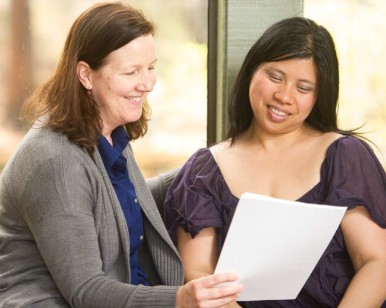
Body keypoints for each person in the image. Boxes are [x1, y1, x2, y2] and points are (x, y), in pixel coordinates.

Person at [0, 2, 243, 307]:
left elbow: (117, 200)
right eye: (131, 72)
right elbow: (86, 291)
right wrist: (179, 299)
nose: (148, 84)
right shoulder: (56, 163)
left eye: (151, 67)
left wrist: (207, 166)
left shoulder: (110, 130)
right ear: (86, 75)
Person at [164, 16, 386, 307]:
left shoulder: (344, 157)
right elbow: (198, 276)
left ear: (319, 97)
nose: (284, 96)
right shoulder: (203, 171)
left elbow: (377, 263)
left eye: (303, 88)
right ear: (251, 72)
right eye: (275, 77)